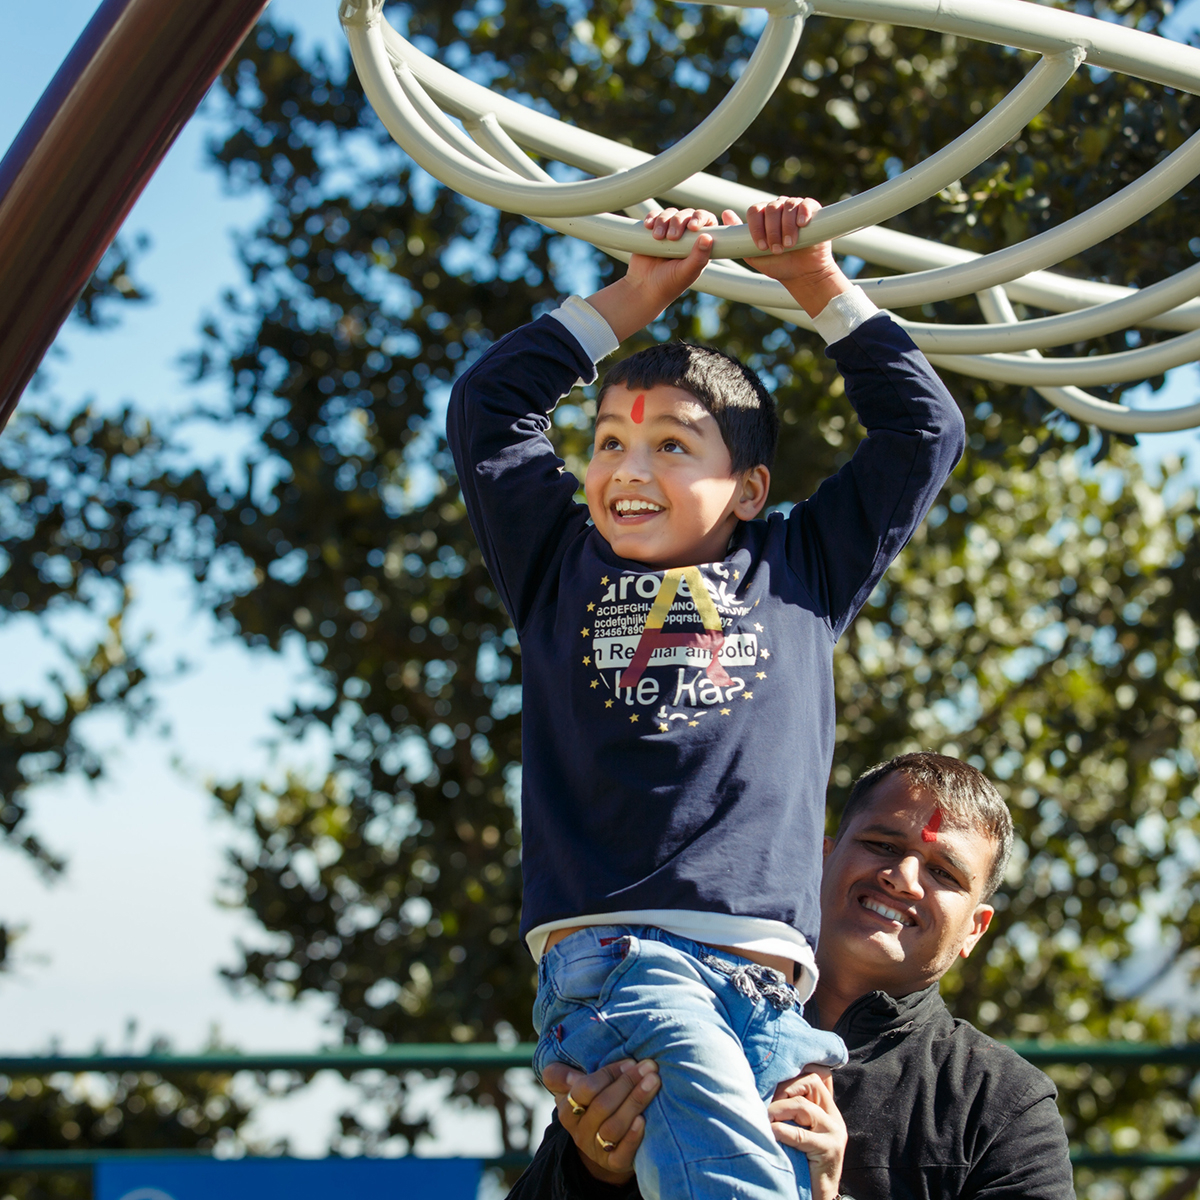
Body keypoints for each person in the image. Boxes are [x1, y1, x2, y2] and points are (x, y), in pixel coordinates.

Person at [446, 198, 965, 1200]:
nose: (626, 470)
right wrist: (635, 297)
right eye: (605, 444)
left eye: (672, 447)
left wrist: (816, 283)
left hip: (769, 990)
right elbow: (489, 409)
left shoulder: (802, 567)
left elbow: (922, 429)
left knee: (801, 1180)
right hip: (624, 956)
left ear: (750, 488)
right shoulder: (557, 561)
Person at [511, 754, 1075, 1200]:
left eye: (943, 872)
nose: (903, 879)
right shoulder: (679, 1003)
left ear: (975, 930)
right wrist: (590, 1173)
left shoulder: (1001, 1103)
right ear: (819, 857)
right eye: (882, 845)